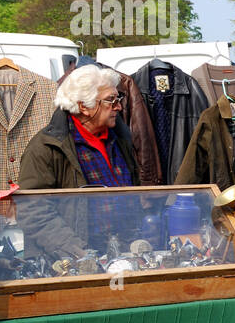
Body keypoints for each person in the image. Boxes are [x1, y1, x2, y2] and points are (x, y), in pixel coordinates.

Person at [17, 65, 142, 259]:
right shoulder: (46, 147)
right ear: (84, 106)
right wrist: (76, 251)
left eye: (119, 99)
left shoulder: (120, 137)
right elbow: (33, 210)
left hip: (123, 253)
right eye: (111, 100)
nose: (119, 106)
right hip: (72, 260)